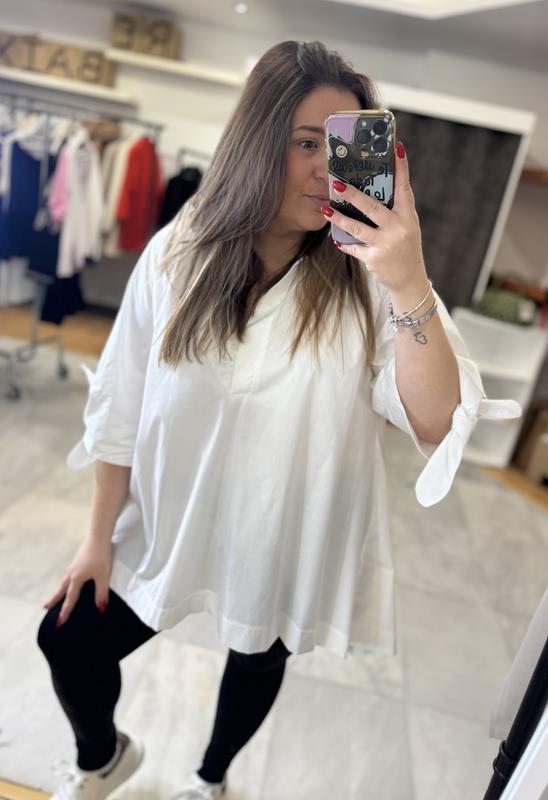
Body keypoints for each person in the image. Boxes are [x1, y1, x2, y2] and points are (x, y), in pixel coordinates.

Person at [36, 39, 520, 800]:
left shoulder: (371, 283)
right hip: (171, 516)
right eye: (305, 143)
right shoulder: (178, 254)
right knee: (67, 639)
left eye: (341, 148)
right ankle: (103, 757)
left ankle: (211, 779)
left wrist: (408, 280)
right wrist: (97, 539)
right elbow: (120, 405)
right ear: (257, 141)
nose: (326, 168)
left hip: (285, 532)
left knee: (258, 652)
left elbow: (436, 423)